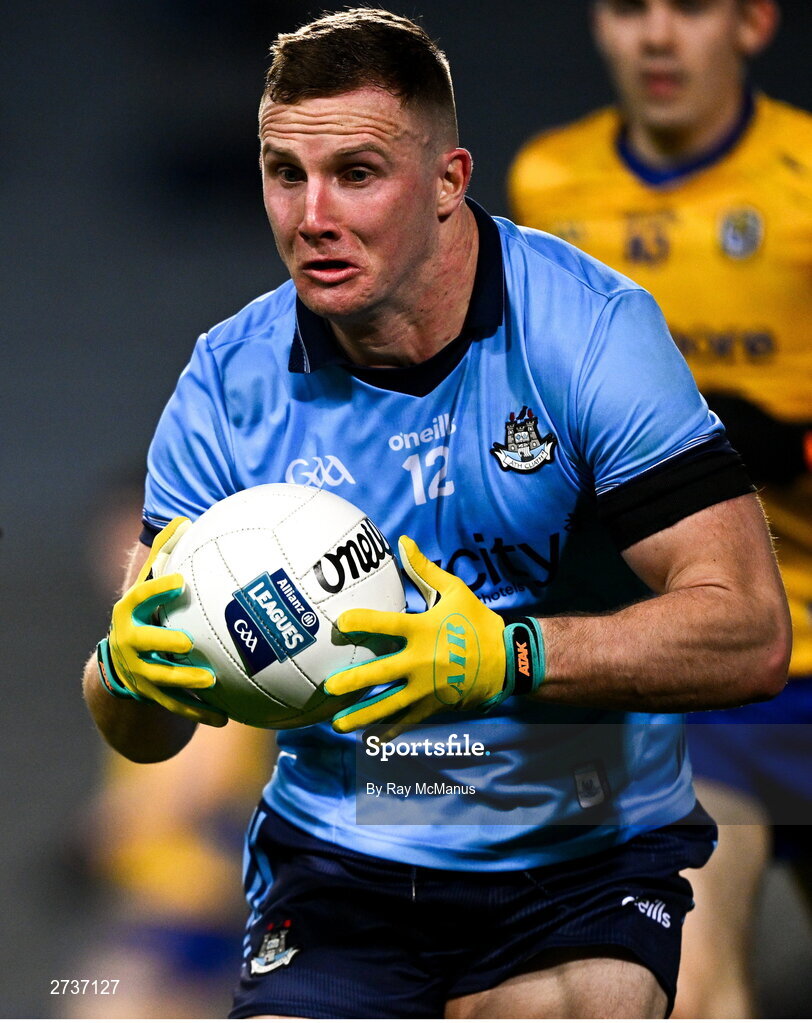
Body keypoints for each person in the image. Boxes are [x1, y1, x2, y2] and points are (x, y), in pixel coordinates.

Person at [82, 8, 791, 1019]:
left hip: (579, 850)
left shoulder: (585, 334)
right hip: (339, 857)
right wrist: (124, 677)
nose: (311, 214)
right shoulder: (226, 382)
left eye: (357, 173)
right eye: (285, 173)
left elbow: (748, 632)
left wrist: (503, 659)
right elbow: (139, 732)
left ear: (450, 182)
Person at [507, 0, 812, 1017]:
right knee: (695, 984)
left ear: (753, 21)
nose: (653, 37)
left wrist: (788, 442)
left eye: (687, 8)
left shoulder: (804, 178)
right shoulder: (546, 186)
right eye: (628, 8)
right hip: (699, 669)